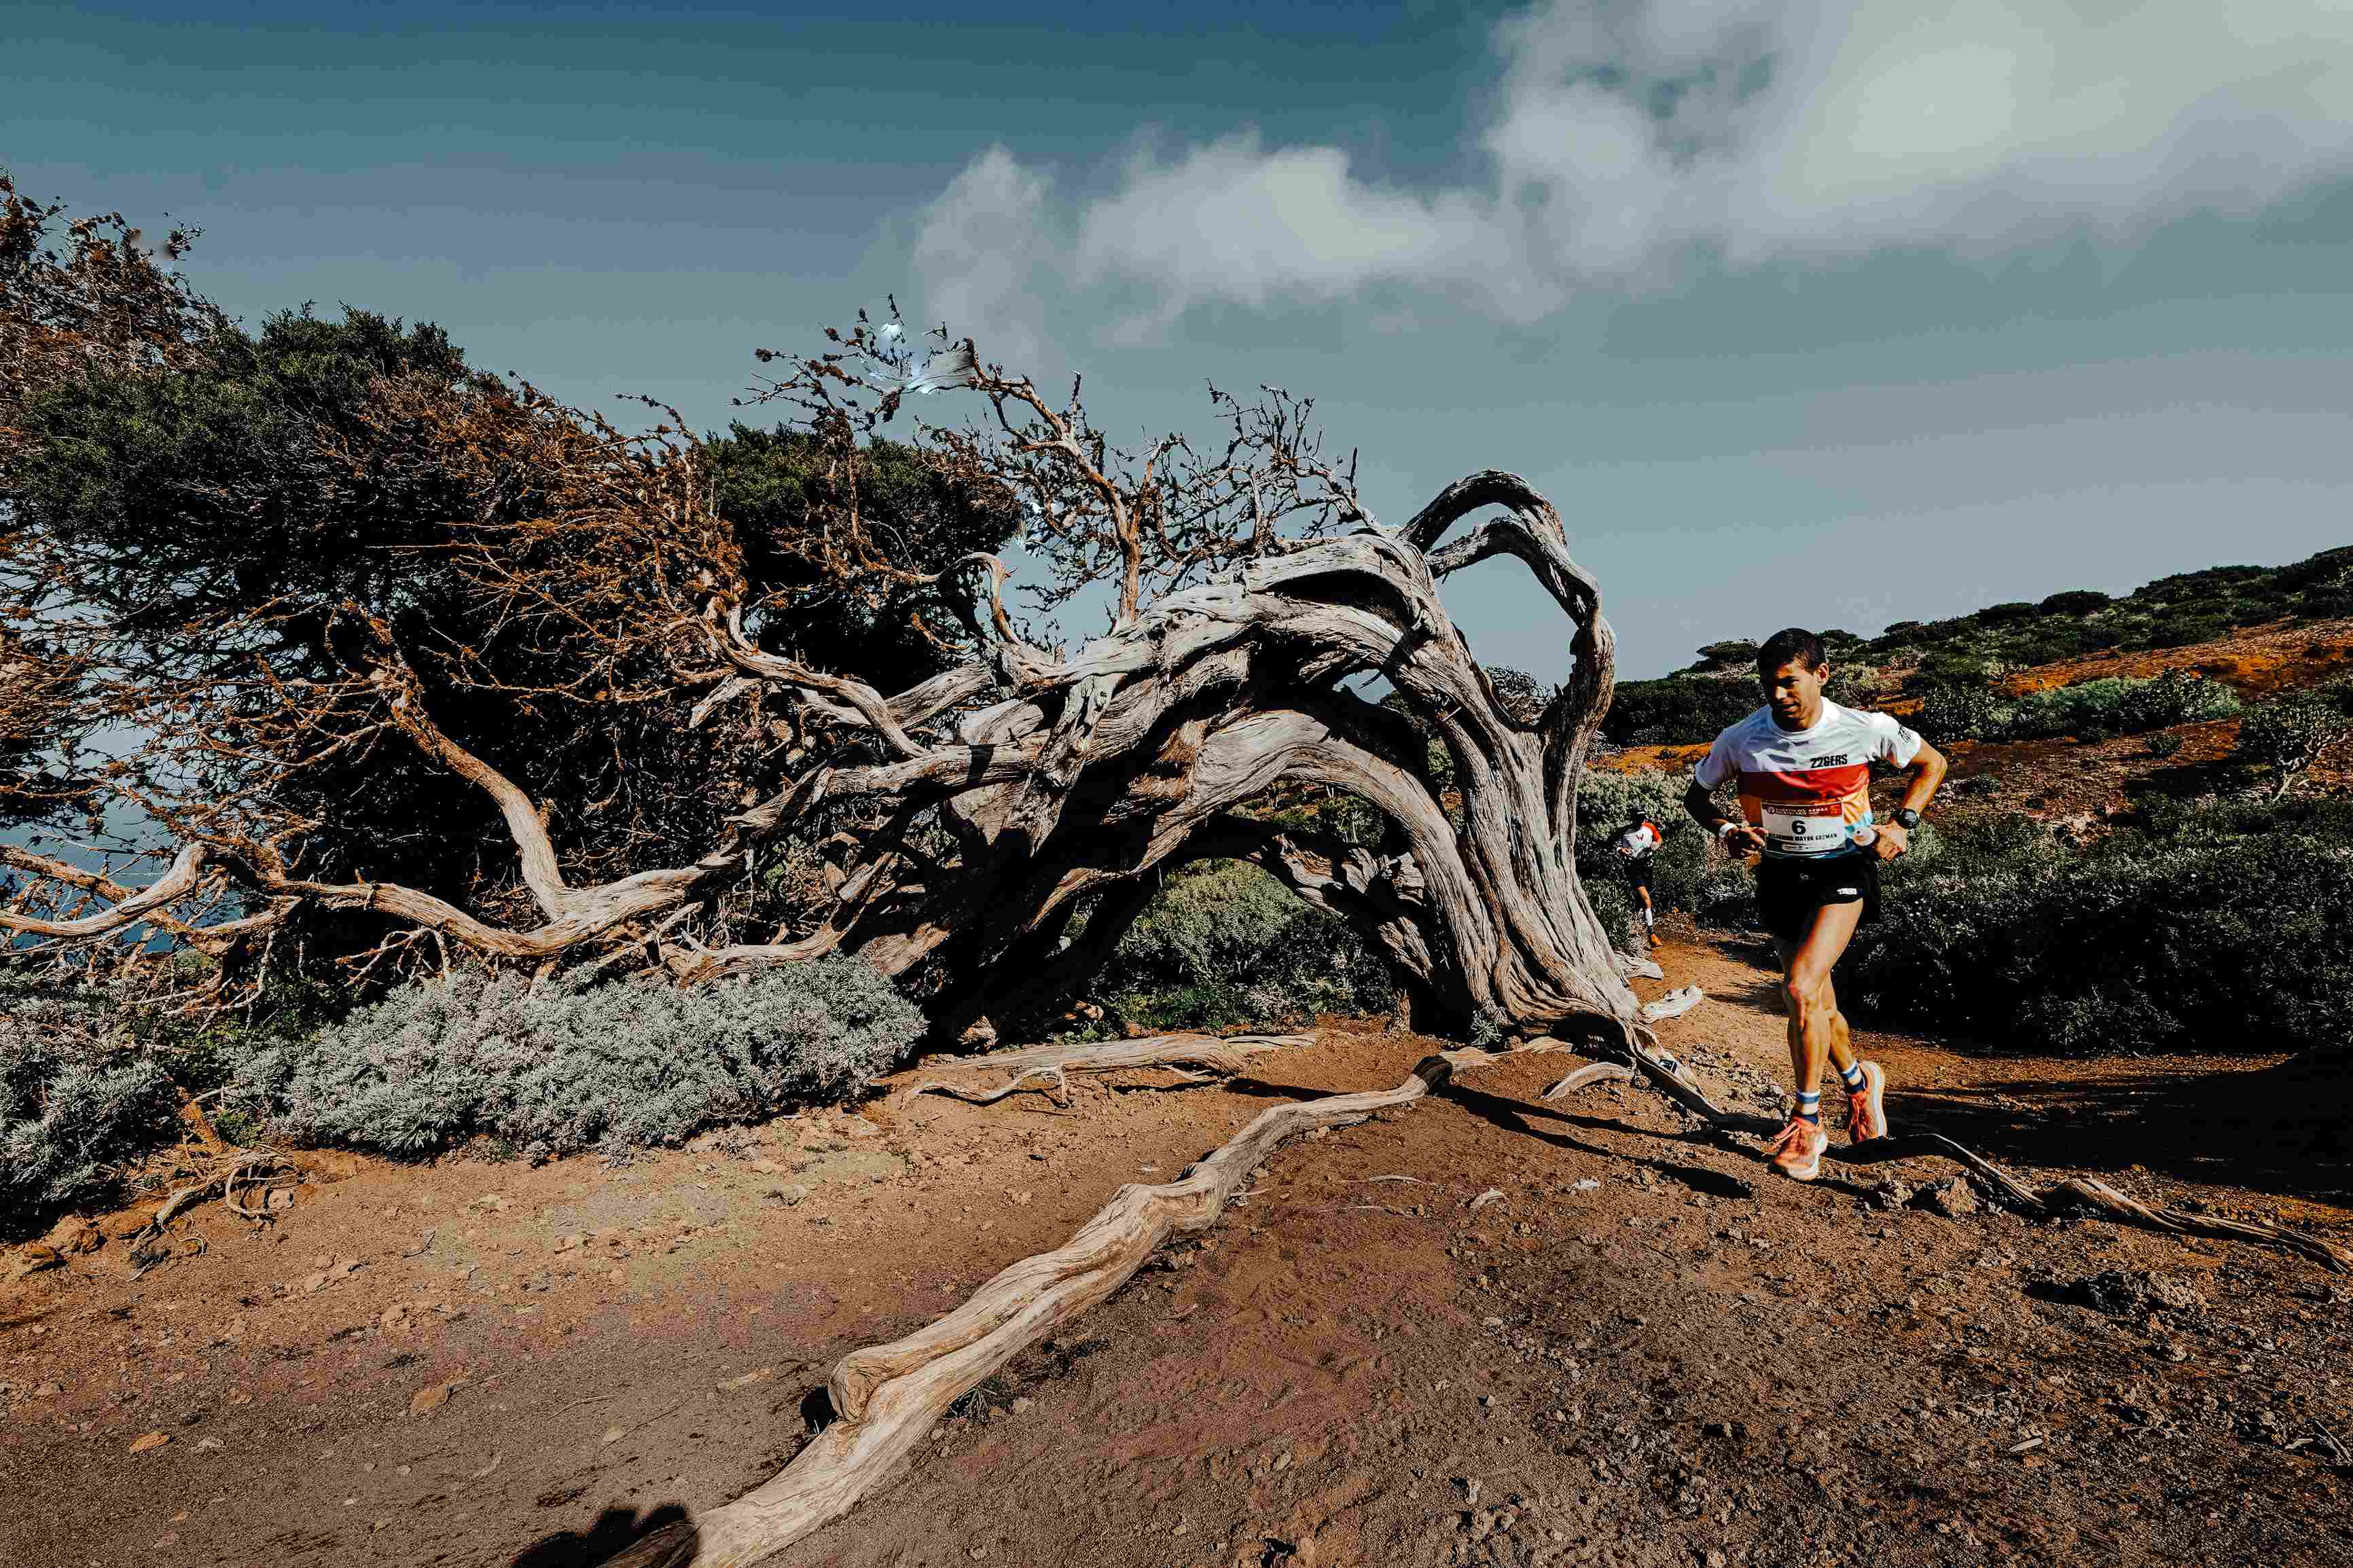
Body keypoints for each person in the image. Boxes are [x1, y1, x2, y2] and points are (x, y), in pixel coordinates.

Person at [1681, 628, 1948, 1181]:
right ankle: (1860, 1082)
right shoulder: (1742, 739)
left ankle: (1807, 1124)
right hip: (1781, 875)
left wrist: (1902, 825)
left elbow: (1933, 765)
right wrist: (1729, 827)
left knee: (1800, 987)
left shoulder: (1863, 728)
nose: (1778, 696)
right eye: (1768, 685)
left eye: (1788, 683)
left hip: (1844, 871)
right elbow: (1696, 796)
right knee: (1816, 1004)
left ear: (1821, 675)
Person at [1610, 817, 1666, 949]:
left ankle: (1633, 926)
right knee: (1646, 900)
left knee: (1642, 901)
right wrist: (1620, 850)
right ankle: (1651, 934)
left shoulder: (1650, 827)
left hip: (1648, 867)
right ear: (1632, 818)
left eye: (1642, 819)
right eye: (1638, 818)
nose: (1640, 822)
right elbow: (1610, 842)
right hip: (1633, 868)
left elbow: (1659, 839)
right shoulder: (1625, 831)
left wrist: (1656, 845)